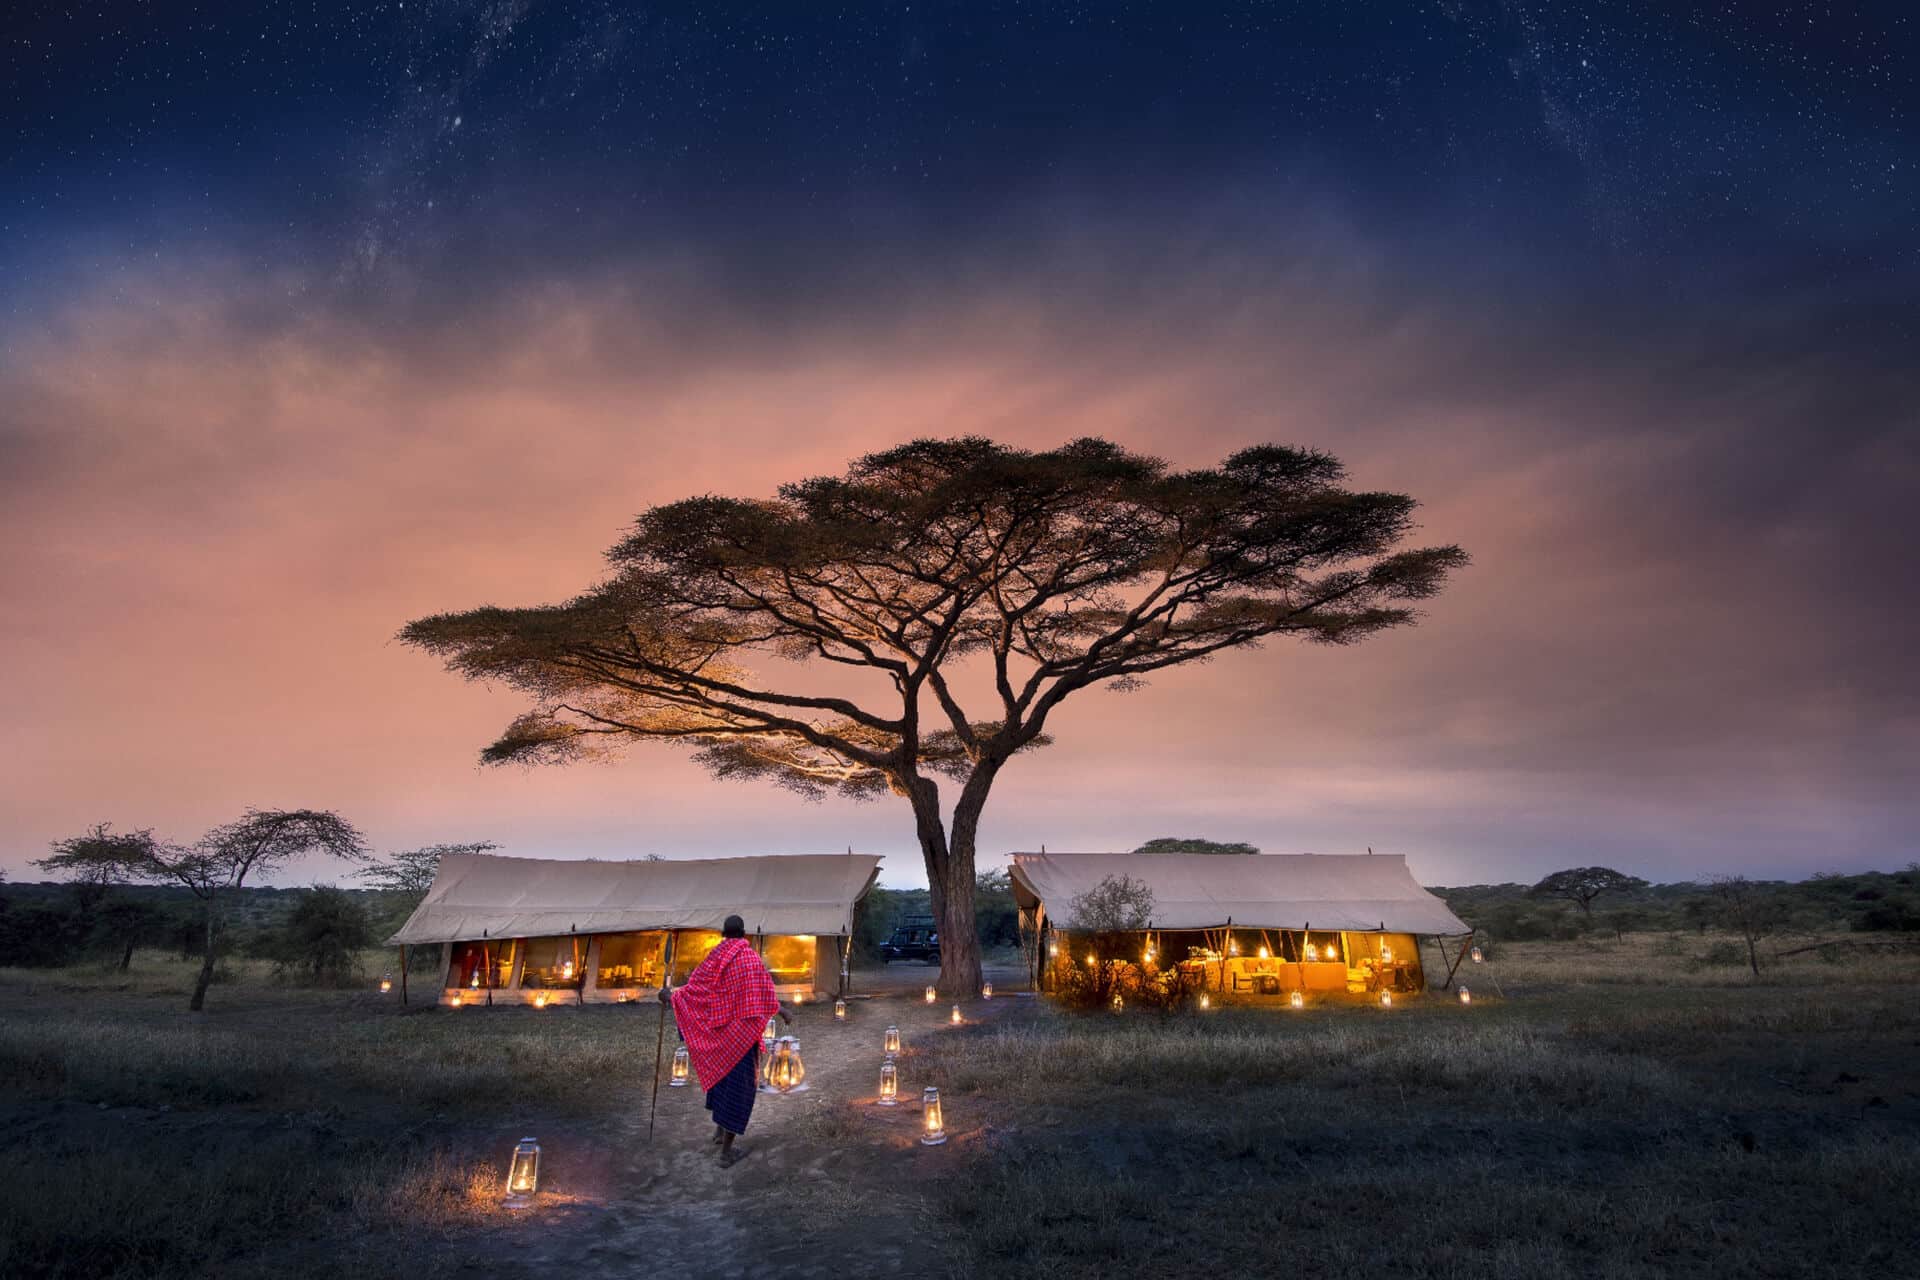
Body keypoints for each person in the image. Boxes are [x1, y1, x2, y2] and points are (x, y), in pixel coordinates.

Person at [660, 915, 788, 1166]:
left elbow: (694, 989)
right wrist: (782, 1011)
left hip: (719, 1039)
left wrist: (671, 996)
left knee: (721, 1083)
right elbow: (763, 991)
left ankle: (719, 1133)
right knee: (739, 1092)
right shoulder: (749, 958)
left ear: (722, 933)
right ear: (743, 933)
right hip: (740, 1039)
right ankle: (726, 1153)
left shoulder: (713, 958)